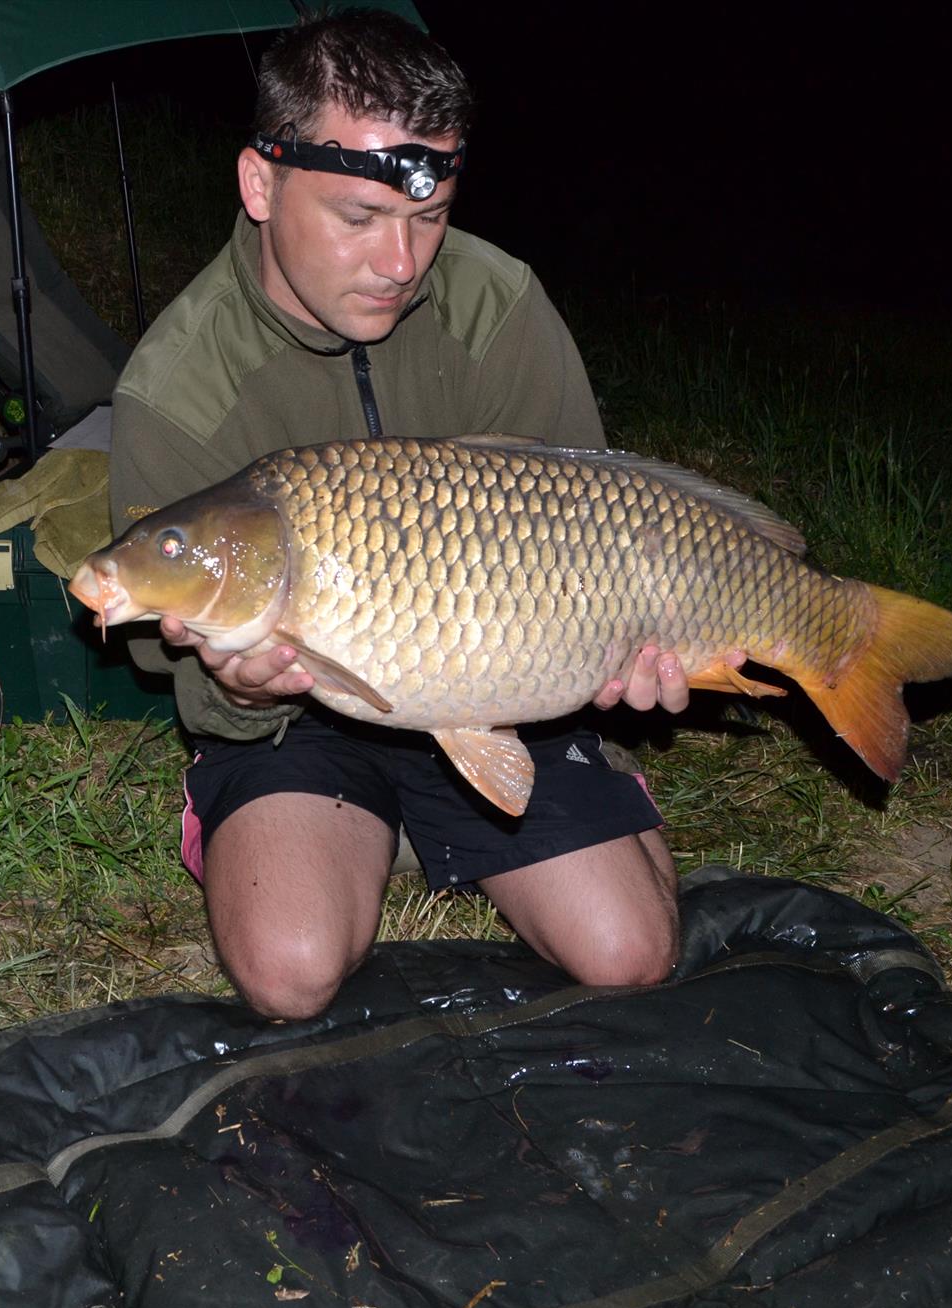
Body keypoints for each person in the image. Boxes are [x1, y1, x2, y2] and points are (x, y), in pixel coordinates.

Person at [108, 9, 728, 1021]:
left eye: (430, 215)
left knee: (629, 957)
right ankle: (312, 828)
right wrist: (241, 689)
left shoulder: (498, 308)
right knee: (289, 969)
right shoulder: (180, 386)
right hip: (302, 722)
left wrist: (628, 654)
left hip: (499, 680)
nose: (402, 262)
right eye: (359, 217)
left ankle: (487, 820)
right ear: (260, 183)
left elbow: (602, 524)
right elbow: (172, 666)